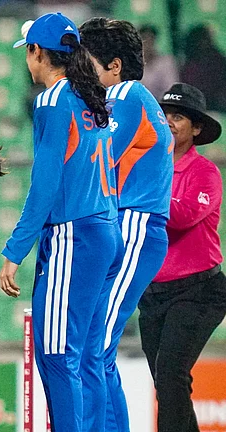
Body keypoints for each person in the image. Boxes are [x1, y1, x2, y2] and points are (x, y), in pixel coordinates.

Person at [0, 12, 122, 432]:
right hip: (106, 229)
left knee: (54, 352)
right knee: (86, 356)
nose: (27, 63)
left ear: (37, 52)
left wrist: (15, 251)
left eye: (28, 53)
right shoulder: (93, 96)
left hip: (75, 234)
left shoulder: (52, 101)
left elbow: (45, 184)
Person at [79, 17, 174, 432]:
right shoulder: (119, 97)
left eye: (87, 62)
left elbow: (93, 158)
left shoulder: (127, 96)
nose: (79, 70)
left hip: (135, 224)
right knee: (93, 346)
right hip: (125, 224)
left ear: (114, 66)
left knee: (95, 345)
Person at [139, 82, 226, 432]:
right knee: (167, 382)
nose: (169, 122)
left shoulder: (205, 172)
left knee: (171, 376)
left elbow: (183, 216)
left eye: (178, 117)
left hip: (198, 291)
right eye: (165, 116)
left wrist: (140, 194)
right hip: (154, 293)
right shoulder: (147, 168)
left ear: (198, 128)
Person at [138, 25, 179, 100]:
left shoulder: (166, 62)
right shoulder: (131, 64)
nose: (147, 44)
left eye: (150, 40)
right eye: (144, 40)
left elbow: (171, 89)